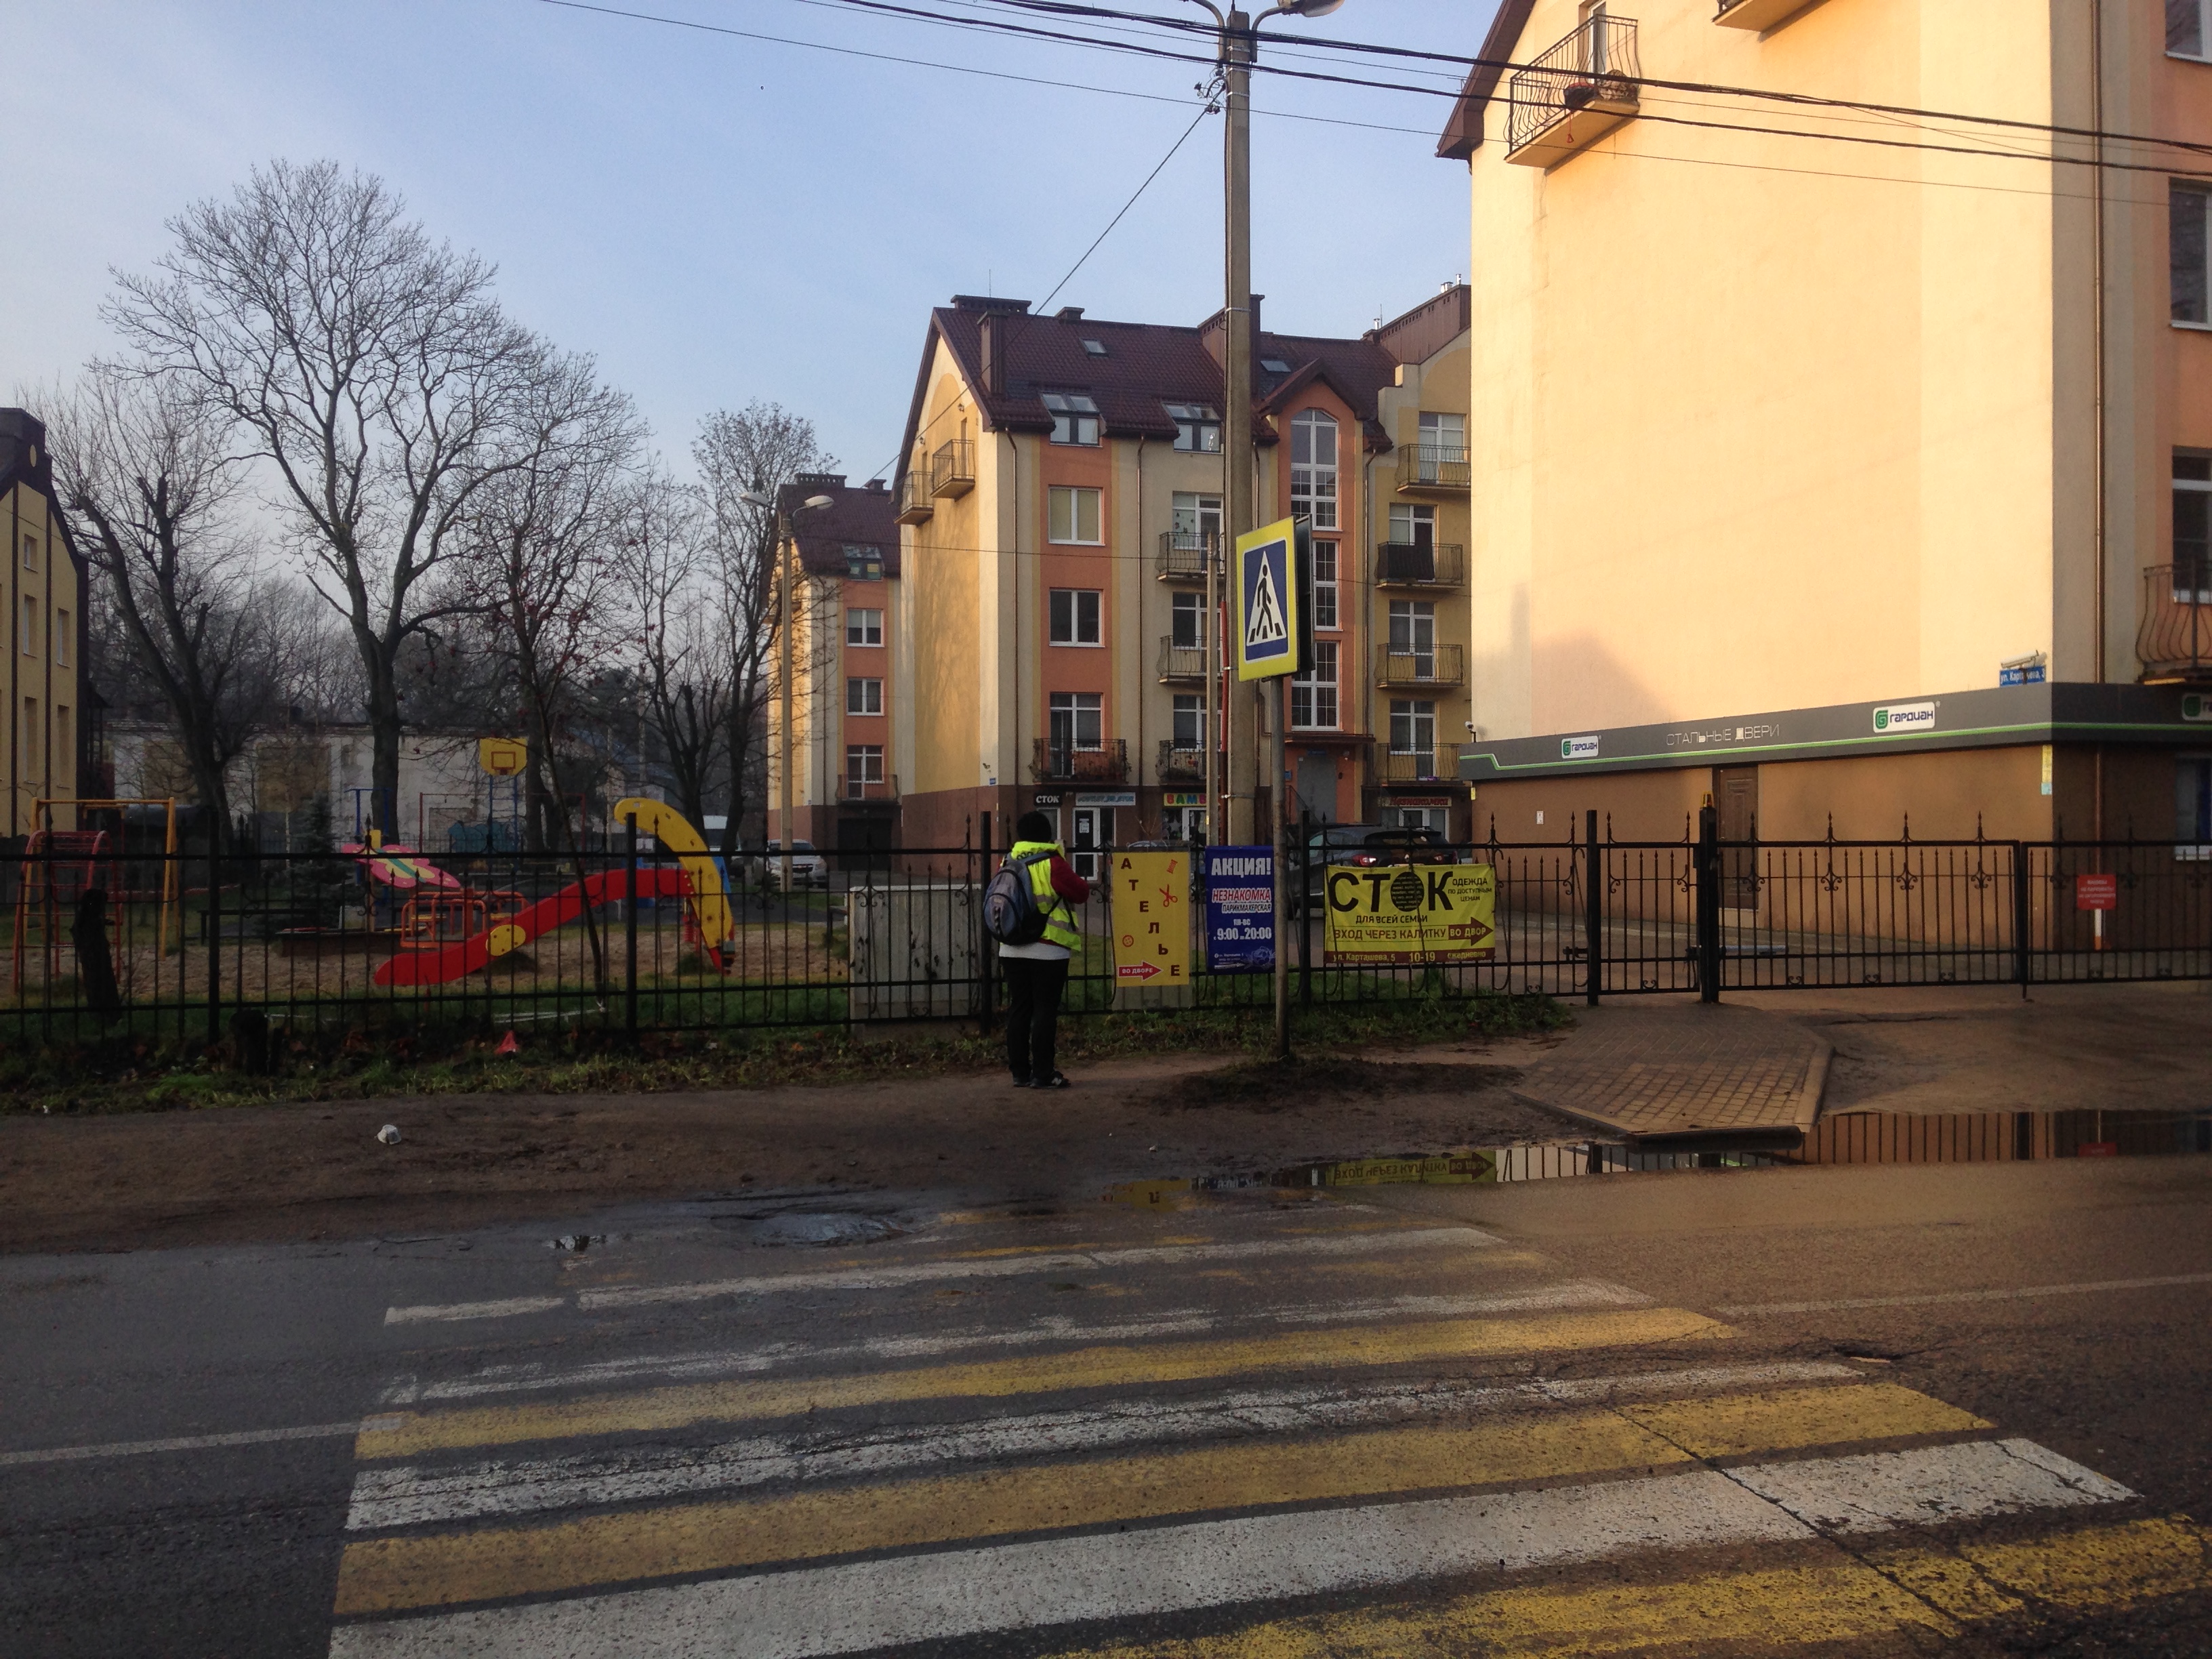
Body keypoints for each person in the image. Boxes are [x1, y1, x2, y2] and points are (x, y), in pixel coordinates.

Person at [1000, 810, 1089, 1088]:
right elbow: (1082, 893)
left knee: (1019, 1008)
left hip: (1011, 947)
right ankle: (1043, 1073)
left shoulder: (1008, 861)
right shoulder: (1053, 863)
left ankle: (1019, 1072)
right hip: (1049, 948)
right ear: (1047, 835)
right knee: (1044, 1010)